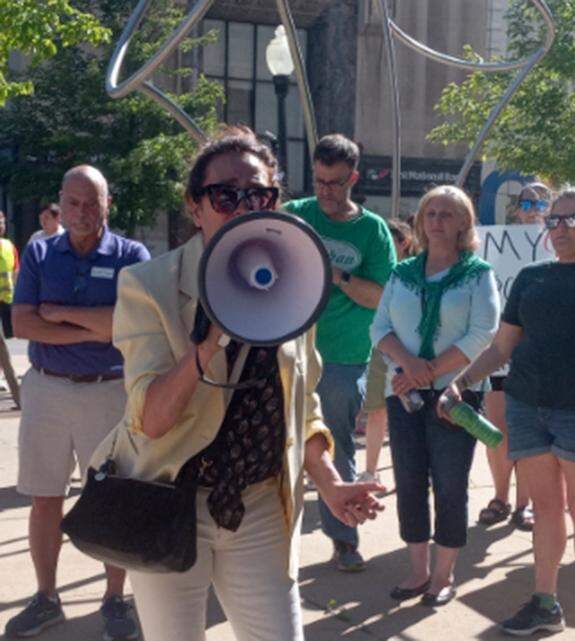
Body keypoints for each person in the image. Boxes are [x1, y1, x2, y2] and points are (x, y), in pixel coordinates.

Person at [91, 127, 383, 641]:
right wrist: (211, 338)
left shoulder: (297, 277)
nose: (244, 206)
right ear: (195, 206)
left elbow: (301, 403)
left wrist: (330, 483)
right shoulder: (149, 287)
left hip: (259, 504)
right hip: (171, 499)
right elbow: (153, 418)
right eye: (226, 195)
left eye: (259, 194)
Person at [444, 189, 575, 641]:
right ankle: (545, 602)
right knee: (545, 509)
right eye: (552, 220)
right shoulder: (530, 277)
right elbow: (503, 346)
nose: (558, 229)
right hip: (527, 405)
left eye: (570, 219)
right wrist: (462, 381)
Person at [7, 165, 150, 640]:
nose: (83, 212)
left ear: (108, 204)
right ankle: (46, 598)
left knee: (109, 498)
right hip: (47, 389)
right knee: (45, 498)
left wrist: (63, 314)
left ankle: (114, 599)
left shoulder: (132, 255)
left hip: (108, 389)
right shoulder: (41, 251)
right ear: (60, 203)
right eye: (73, 202)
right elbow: (24, 324)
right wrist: (94, 325)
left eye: (92, 203)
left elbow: (125, 326)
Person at [371, 185, 499, 607]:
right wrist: (409, 365)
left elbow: (483, 333)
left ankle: (443, 576)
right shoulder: (401, 273)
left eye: (447, 214)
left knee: (449, 485)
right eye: (431, 214)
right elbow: (380, 328)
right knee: (408, 482)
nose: (438, 221)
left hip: (455, 396)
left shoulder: (478, 274)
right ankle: (418, 571)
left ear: (464, 223)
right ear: (420, 222)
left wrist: (428, 371)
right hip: (404, 393)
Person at [282, 134, 397, 571]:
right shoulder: (294, 215)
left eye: (334, 182)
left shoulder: (372, 231)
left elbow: (381, 296)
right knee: (278, 447)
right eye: (318, 181)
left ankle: (344, 538)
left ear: (353, 177)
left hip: (344, 357)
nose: (325, 192)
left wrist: (336, 276)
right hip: (287, 349)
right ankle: (274, 541)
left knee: (337, 446)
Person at [479, 181, 552, 531]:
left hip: (538, 353)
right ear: (516, 208)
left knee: (527, 431)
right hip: (501, 351)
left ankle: (525, 502)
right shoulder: (496, 243)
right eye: (526, 201)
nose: (533, 208)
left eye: (541, 202)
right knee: (497, 428)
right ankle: (500, 496)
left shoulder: (558, 248)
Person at [359, 218, 418, 486]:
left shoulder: (418, 272)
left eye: (389, 240)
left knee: (406, 416)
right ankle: (370, 472)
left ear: (404, 243)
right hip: (381, 349)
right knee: (376, 411)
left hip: (409, 353)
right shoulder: (378, 270)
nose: (382, 245)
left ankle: (410, 474)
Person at [0, 209, 20, 338]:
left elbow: (15, 271)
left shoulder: (9, 246)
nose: (0, 226)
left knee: (5, 340)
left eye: (2, 223)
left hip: (6, 301)